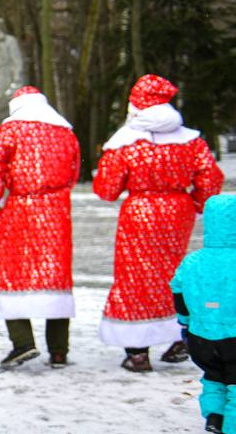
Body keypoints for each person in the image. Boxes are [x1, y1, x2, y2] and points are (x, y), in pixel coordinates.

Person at [95, 74, 224, 372]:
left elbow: (107, 189)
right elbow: (210, 177)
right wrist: (195, 204)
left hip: (139, 212)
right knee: (174, 271)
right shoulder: (190, 140)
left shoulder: (126, 141)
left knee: (134, 276)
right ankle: (180, 336)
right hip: (178, 211)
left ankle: (137, 352)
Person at [0, 86, 81, 367]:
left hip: (19, 210)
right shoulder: (65, 132)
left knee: (11, 273)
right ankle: (59, 349)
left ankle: (22, 342)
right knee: (56, 275)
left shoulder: (9, 130)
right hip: (57, 211)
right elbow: (74, 171)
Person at [171, 194, 236, 434]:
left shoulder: (192, 261)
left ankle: (215, 416)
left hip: (201, 336)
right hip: (233, 336)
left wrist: (186, 321)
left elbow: (178, 290)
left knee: (214, 375)